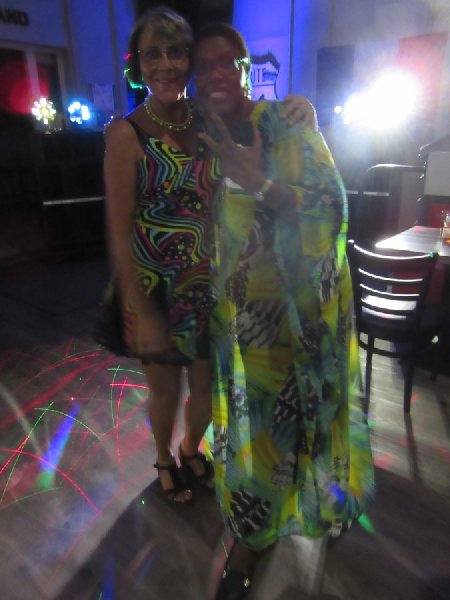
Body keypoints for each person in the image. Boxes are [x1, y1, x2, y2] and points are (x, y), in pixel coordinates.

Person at [103, 7, 317, 504]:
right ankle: (163, 458)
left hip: (208, 283)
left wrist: (302, 105)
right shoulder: (125, 134)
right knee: (165, 391)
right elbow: (119, 229)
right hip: (154, 287)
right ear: (138, 64)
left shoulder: (206, 118)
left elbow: (254, 114)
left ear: (189, 60)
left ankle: (190, 448)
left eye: (176, 52)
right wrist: (139, 309)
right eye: (152, 54)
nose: (165, 64)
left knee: (206, 389)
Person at [192, 23, 375, 598]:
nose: (218, 73)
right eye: (205, 64)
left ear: (247, 69)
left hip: (299, 315)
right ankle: (255, 532)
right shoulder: (199, 134)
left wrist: (260, 182)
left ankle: (312, 511)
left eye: (229, 62)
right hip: (239, 320)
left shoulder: (285, 122)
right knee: (255, 428)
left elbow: (331, 206)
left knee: (311, 416)